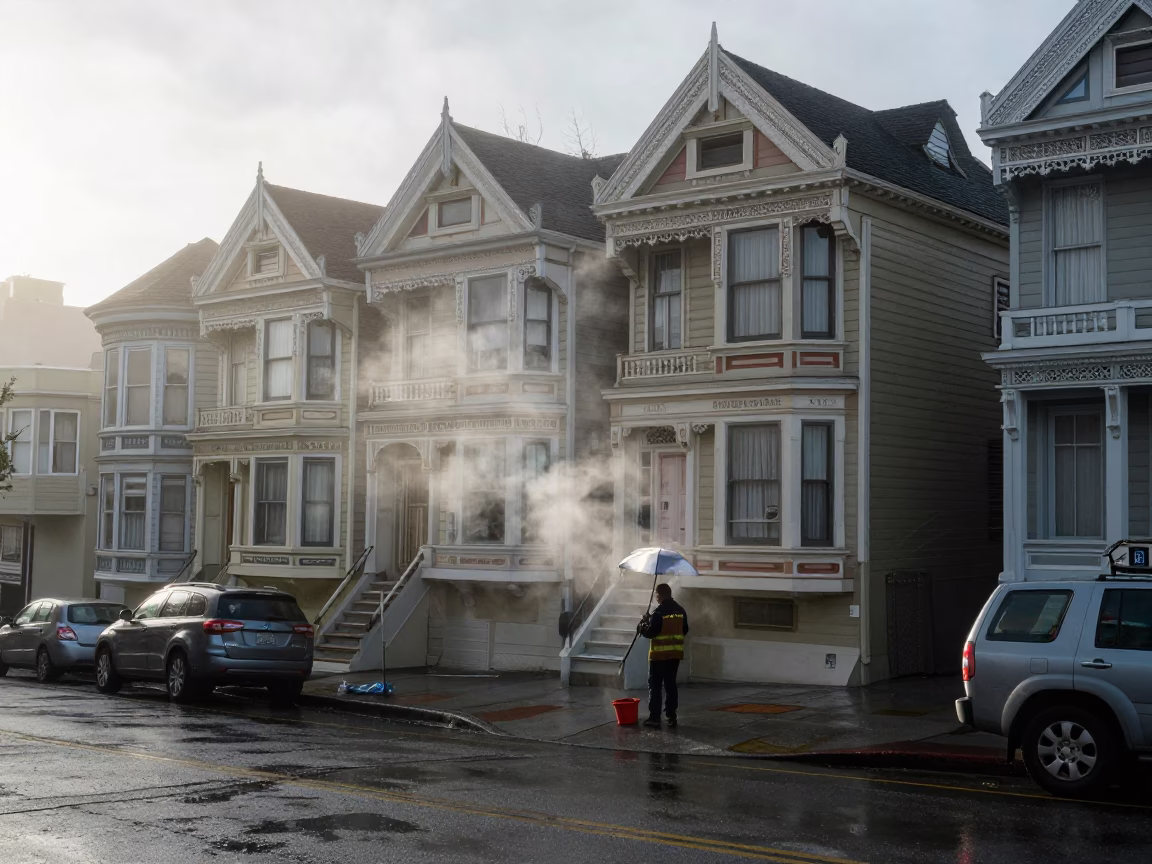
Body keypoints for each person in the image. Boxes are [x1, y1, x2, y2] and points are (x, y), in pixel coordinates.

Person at [637, 583, 688, 728]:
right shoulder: (681, 610)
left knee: (655, 686)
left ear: (660, 594)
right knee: (671, 684)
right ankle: (672, 716)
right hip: (675, 655)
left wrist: (643, 627)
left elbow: (651, 633)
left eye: (656, 595)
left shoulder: (658, 613)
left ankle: (654, 717)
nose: (656, 597)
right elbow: (685, 629)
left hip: (659, 656)